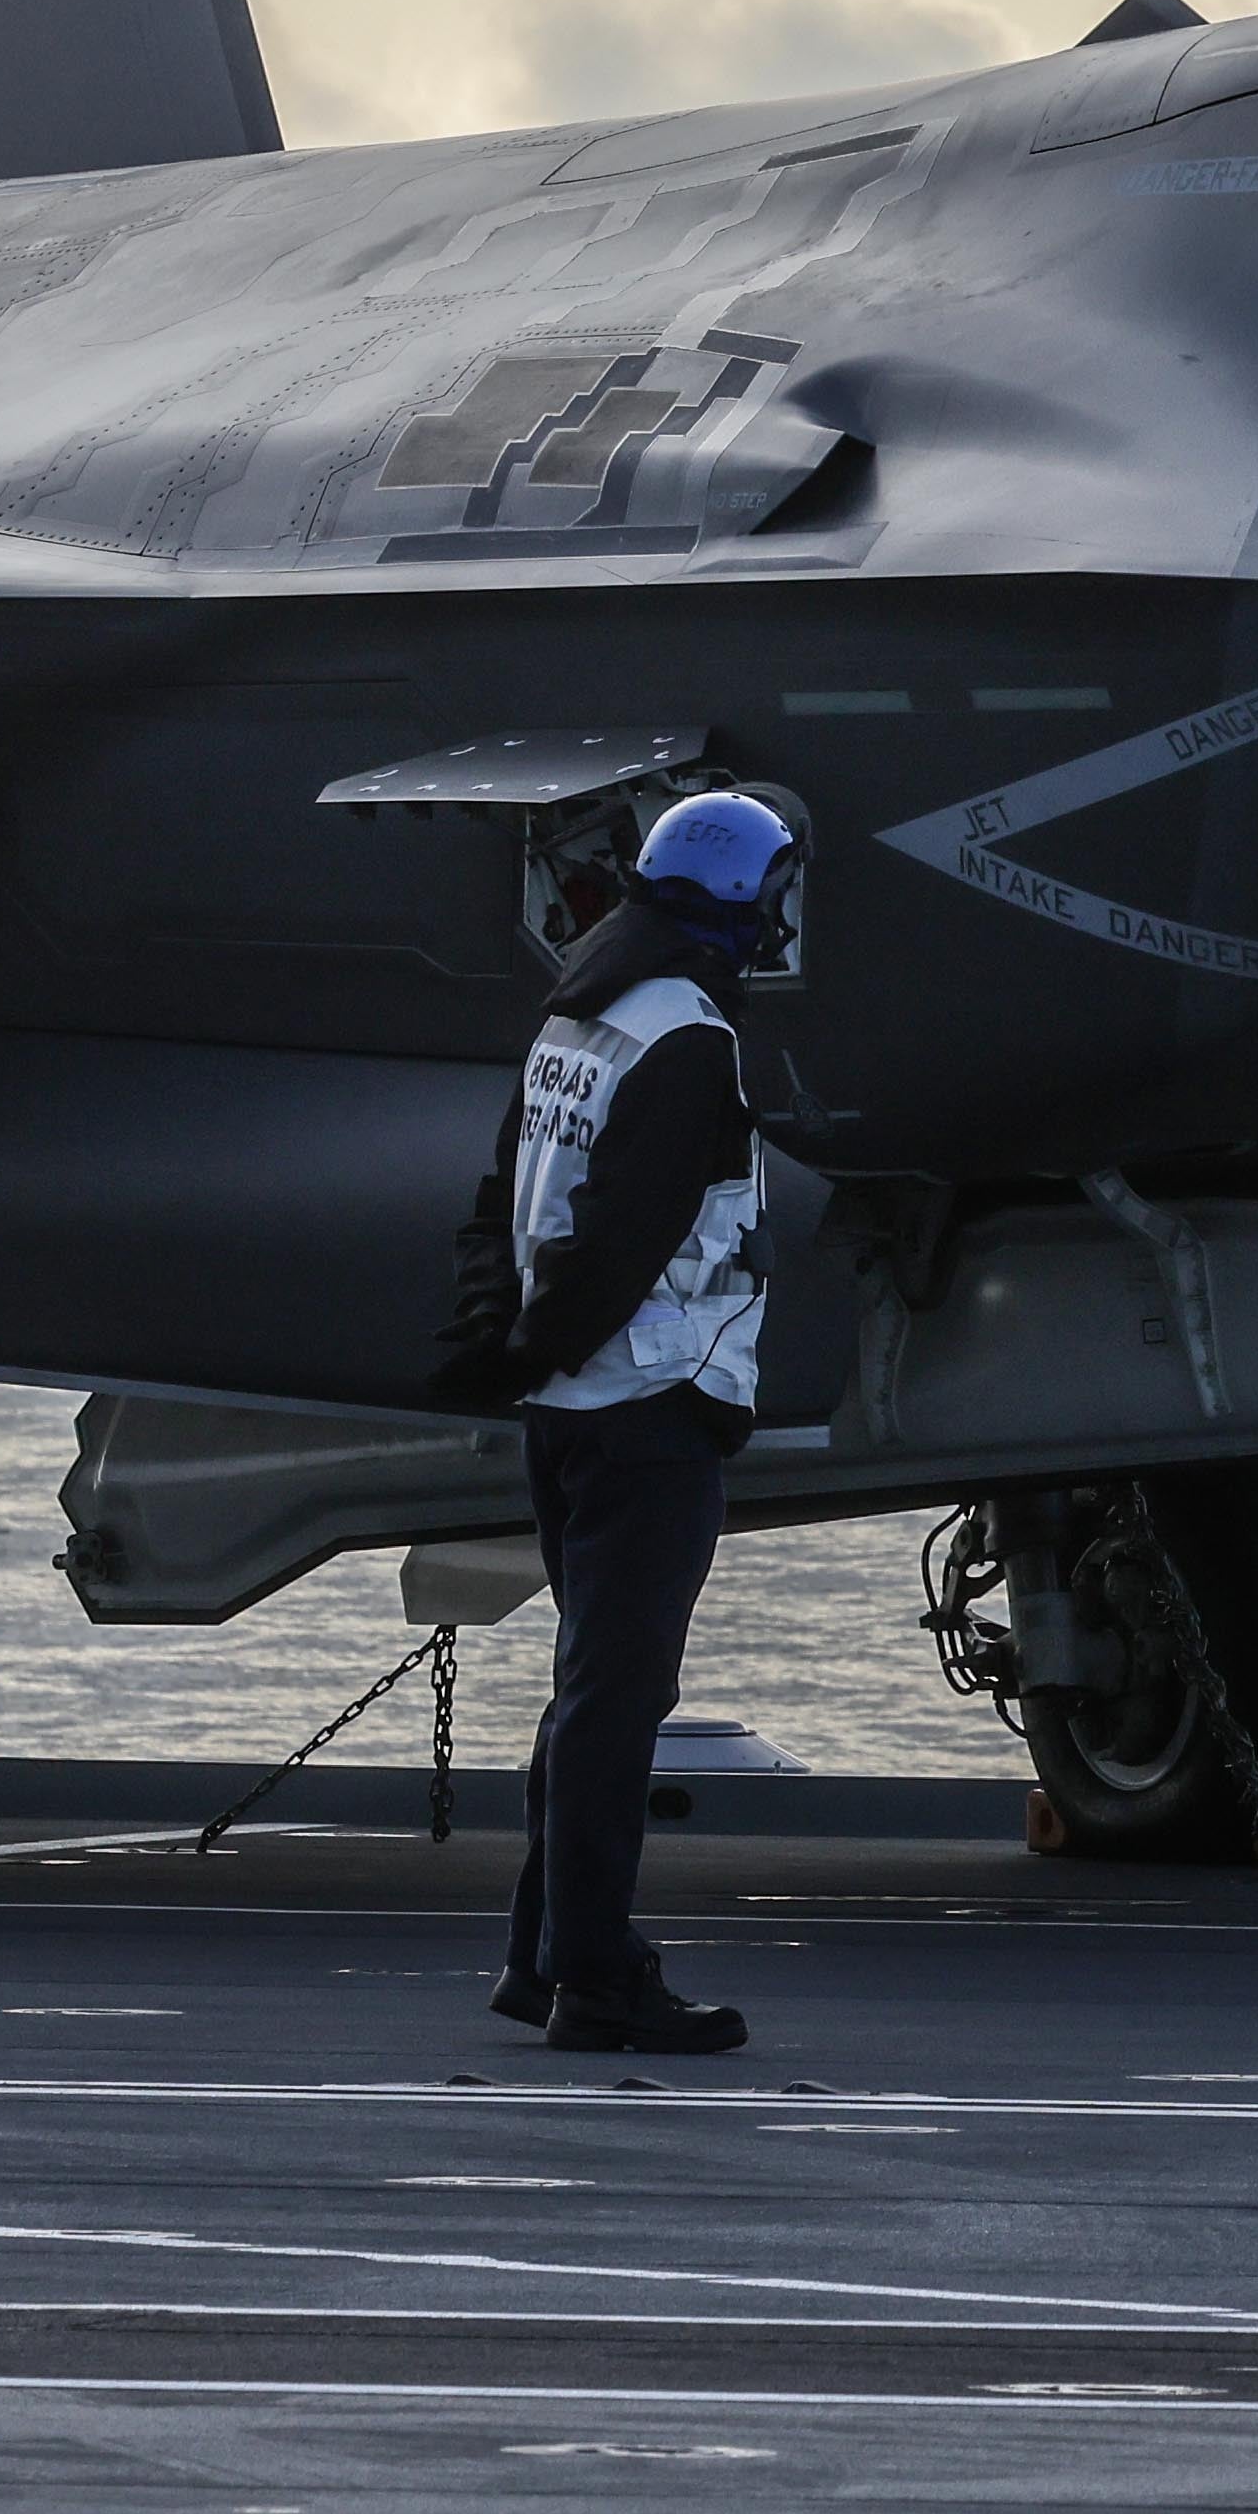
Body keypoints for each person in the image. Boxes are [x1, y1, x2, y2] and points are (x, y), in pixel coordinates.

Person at [432, 785, 797, 2059]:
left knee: (586, 1689)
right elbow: (624, 1246)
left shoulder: (574, 1015)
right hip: (651, 1402)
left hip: (566, 1411)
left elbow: (501, 1199)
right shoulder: (686, 1034)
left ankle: (542, 1960)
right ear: (747, 901)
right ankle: (594, 1975)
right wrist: (544, 1342)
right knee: (615, 1698)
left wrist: (499, 1352)